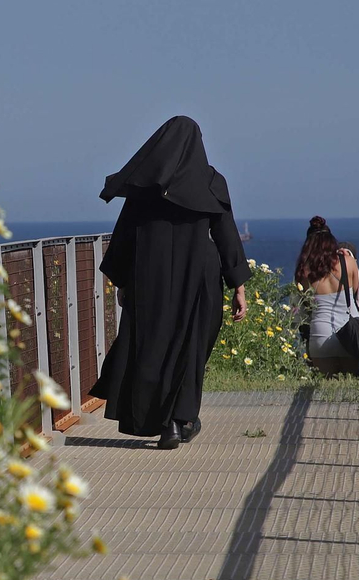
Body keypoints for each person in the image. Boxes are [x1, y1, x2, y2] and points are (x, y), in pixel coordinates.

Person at [89, 116, 250, 449]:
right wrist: (239, 286)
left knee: (154, 345)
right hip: (200, 277)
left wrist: (123, 281)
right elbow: (226, 235)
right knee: (191, 348)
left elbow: (125, 237)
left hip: (152, 278)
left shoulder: (147, 185)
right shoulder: (211, 182)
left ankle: (166, 420)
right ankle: (178, 421)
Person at [294, 216, 359, 376]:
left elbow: (305, 306)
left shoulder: (303, 271)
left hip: (321, 333)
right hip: (350, 333)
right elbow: (353, 293)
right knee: (353, 389)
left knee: (324, 393)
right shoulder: (348, 262)